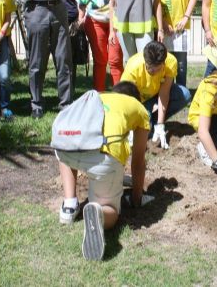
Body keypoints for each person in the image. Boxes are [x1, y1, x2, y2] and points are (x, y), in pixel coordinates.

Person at [55, 81, 151, 260]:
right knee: (111, 209)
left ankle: (69, 205)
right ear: (135, 98)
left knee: (68, 145)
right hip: (104, 157)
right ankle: (100, 214)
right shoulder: (138, 108)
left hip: (65, 146)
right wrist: (136, 197)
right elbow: (138, 161)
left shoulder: (98, 97)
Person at [120, 41, 192, 148]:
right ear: (145, 61)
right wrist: (131, 123)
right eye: (150, 69)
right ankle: (147, 121)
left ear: (163, 63)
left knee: (185, 94)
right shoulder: (133, 68)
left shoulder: (171, 62)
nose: (153, 71)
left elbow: (164, 92)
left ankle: (155, 123)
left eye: (157, 69)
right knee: (145, 133)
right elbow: (126, 100)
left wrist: (160, 124)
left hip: (157, 92)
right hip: (139, 100)